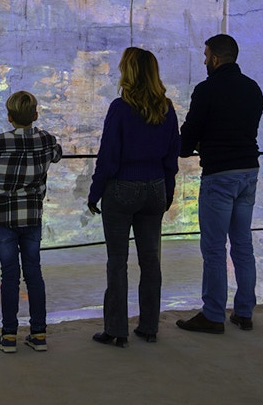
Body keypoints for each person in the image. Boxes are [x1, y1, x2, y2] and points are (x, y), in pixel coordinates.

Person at [86, 47, 180, 348]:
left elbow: (108, 156)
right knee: (151, 260)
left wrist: (95, 192)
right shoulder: (166, 108)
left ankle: (116, 330)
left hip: (122, 188)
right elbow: (172, 156)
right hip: (155, 188)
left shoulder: (120, 108)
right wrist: (167, 191)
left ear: (129, 72)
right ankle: (149, 326)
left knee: (117, 261)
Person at [175, 34, 263, 334]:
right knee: (242, 245)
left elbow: (189, 134)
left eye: (206, 55)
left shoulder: (207, 90)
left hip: (219, 175)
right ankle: (244, 312)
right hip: (248, 171)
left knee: (214, 248)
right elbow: (245, 130)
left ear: (215, 58)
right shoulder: (253, 88)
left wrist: (191, 146)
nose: (204, 61)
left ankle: (214, 315)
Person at [0, 90, 63, 353]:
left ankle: (9, 335)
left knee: (9, 275)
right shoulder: (46, 140)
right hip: (32, 215)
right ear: (36, 115)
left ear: (9, 117)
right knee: (34, 273)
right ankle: (39, 334)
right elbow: (57, 154)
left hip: (4, 216)